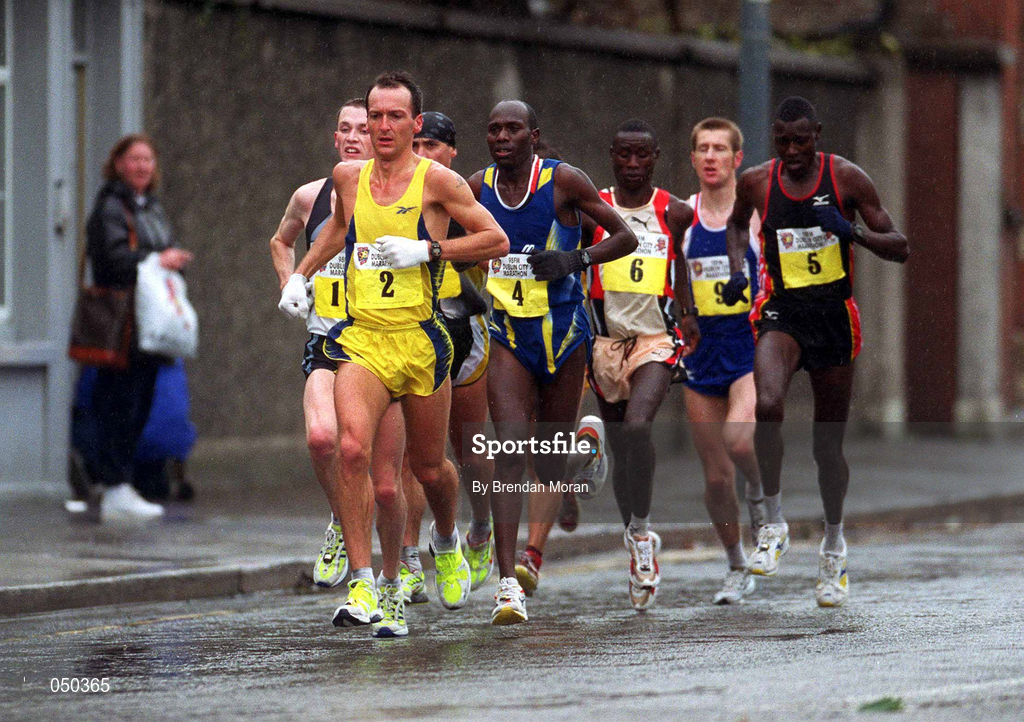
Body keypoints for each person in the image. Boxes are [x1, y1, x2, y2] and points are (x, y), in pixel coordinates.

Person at [279, 71, 509, 638]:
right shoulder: (348, 177)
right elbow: (336, 230)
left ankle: (448, 539)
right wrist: (299, 278)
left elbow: (496, 240)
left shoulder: (439, 182)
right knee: (352, 451)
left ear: (415, 124)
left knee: (430, 469)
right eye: (374, 116)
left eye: (393, 117)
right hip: (362, 338)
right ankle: (369, 584)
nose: (382, 127)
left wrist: (427, 250)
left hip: (422, 341)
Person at [722, 97, 908, 607]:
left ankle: (832, 545)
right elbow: (737, 226)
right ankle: (775, 522)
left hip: (833, 318)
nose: (793, 150)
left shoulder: (847, 178)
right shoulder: (758, 182)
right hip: (783, 311)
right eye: (783, 141)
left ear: (818, 135)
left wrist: (853, 232)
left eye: (801, 140)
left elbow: (901, 245)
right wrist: (739, 270)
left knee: (828, 448)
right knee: (767, 403)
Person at [468, 100, 638, 625]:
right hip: (509, 338)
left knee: (545, 463)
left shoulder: (564, 182)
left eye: (512, 128)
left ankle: (580, 451)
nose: (501, 136)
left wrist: (574, 259)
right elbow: (450, 241)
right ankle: (506, 587)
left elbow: (626, 237)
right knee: (512, 451)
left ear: (533, 136)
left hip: (565, 338)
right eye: (493, 128)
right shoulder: (476, 188)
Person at [270, 99, 409, 591]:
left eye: (362, 129)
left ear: (379, 138)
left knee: (389, 476)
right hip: (326, 339)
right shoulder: (309, 196)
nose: (353, 137)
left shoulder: (397, 195)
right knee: (321, 439)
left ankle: (410, 559)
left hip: (380, 345)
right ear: (335, 138)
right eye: (344, 129)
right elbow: (281, 241)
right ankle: (339, 520)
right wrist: (292, 284)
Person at [573, 119, 701, 611]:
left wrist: (687, 314)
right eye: (623, 155)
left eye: (640, 156)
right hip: (604, 343)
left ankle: (644, 536)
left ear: (654, 157)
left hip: (655, 340)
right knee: (624, 453)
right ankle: (634, 535)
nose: (631, 164)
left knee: (637, 431)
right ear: (611, 155)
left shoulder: (677, 212)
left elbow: (679, 264)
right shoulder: (594, 209)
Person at [399, 111, 496, 604]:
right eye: (417, 143)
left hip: (463, 328)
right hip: (409, 329)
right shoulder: (392, 190)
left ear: (453, 150)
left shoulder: (459, 193)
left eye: (432, 144)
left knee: (469, 447)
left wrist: (433, 249)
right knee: (413, 455)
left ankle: (480, 526)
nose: (423, 152)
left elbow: (495, 248)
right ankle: (410, 557)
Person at [84, 133, 194, 523]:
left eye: (148, 159)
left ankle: (122, 484)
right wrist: (156, 258)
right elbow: (111, 259)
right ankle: (113, 484)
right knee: (118, 403)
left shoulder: (152, 207)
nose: (142, 167)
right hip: (123, 324)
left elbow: (157, 249)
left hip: (149, 324)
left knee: (139, 402)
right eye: (134, 159)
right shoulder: (111, 206)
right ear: (118, 164)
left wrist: (172, 259)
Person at [681, 117, 767, 604]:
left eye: (720, 149)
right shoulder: (683, 216)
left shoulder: (753, 218)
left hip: (747, 352)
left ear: (737, 159)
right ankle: (736, 564)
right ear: (692, 159)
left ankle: (760, 495)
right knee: (715, 477)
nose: (711, 157)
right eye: (702, 149)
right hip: (701, 357)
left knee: (739, 443)